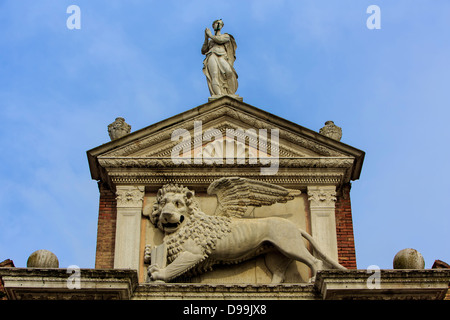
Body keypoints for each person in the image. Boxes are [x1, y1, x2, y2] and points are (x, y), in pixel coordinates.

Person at [202, 19, 238, 97]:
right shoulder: (210, 41)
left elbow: (220, 40)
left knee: (229, 72)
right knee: (214, 75)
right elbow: (203, 50)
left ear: (221, 26)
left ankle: (230, 92)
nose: (218, 25)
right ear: (213, 25)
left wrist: (210, 35)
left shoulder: (225, 36)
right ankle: (218, 94)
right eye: (216, 23)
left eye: (220, 24)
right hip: (212, 55)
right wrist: (206, 38)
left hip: (222, 56)